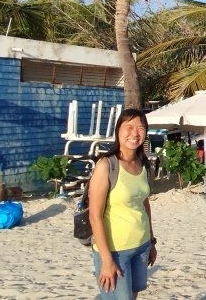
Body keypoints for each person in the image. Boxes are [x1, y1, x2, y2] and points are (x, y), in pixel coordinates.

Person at [89, 109, 157, 300]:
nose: (135, 133)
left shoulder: (141, 163)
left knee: (133, 295)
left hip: (141, 245)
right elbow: (94, 216)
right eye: (129, 127)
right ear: (118, 130)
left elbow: (144, 203)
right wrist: (106, 260)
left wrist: (151, 241)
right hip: (115, 251)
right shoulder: (106, 165)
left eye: (141, 128)